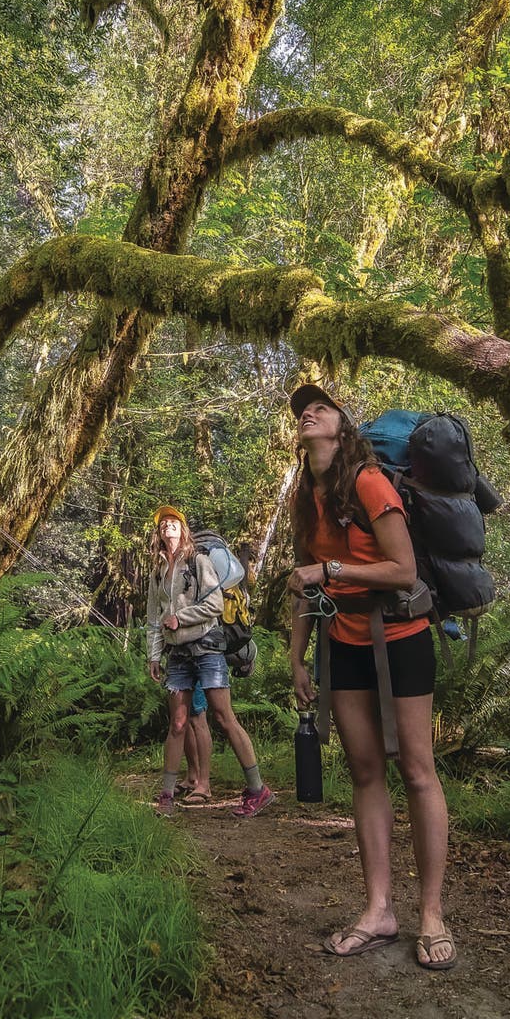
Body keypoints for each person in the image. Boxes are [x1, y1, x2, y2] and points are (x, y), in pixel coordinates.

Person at [285, 384, 456, 970]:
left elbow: (403, 570)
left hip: (401, 639)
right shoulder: (306, 498)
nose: (307, 411)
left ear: (342, 425)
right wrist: (298, 654)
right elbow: (308, 586)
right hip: (344, 644)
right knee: (364, 771)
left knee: (417, 769)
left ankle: (431, 913)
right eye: (301, 409)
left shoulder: (369, 482)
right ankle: (379, 908)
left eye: (321, 406)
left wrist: (330, 567)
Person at [146, 505, 275, 817]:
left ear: (183, 528)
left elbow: (215, 604)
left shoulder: (198, 561)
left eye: (173, 522)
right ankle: (166, 797)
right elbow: (153, 618)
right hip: (177, 655)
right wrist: (153, 655)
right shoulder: (158, 571)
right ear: (158, 533)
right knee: (177, 723)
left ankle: (258, 790)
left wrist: (181, 618)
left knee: (223, 716)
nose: (168, 527)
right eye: (163, 524)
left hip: (207, 649)